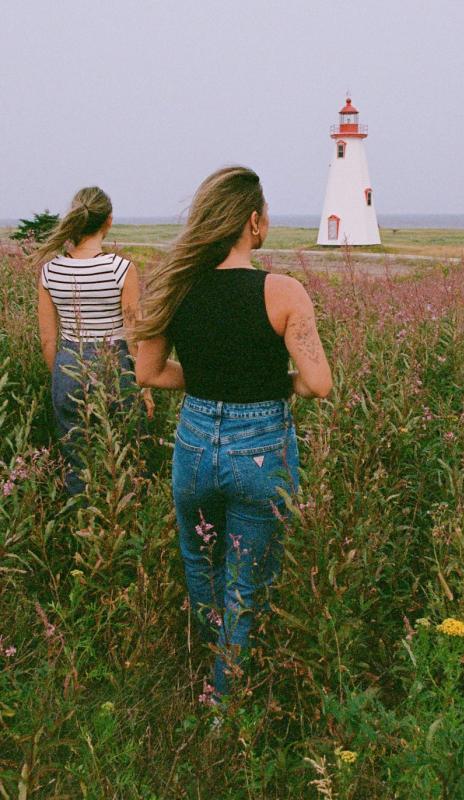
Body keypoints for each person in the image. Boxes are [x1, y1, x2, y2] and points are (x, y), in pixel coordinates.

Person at [135, 166, 332, 703]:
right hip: (261, 447)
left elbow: (150, 373)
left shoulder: (177, 286)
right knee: (248, 582)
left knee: (202, 564)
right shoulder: (283, 290)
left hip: (195, 442)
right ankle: (226, 706)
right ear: (254, 221)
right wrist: (273, 382)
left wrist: (207, 380)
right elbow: (318, 383)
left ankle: (204, 676)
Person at [36, 186, 154, 496]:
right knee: (125, 455)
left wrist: (61, 376)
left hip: (68, 363)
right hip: (115, 364)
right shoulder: (121, 269)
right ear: (108, 221)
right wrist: (145, 386)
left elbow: (48, 339)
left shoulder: (50, 271)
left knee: (76, 459)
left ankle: (80, 527)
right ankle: (121, 524)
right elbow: (133, 335)